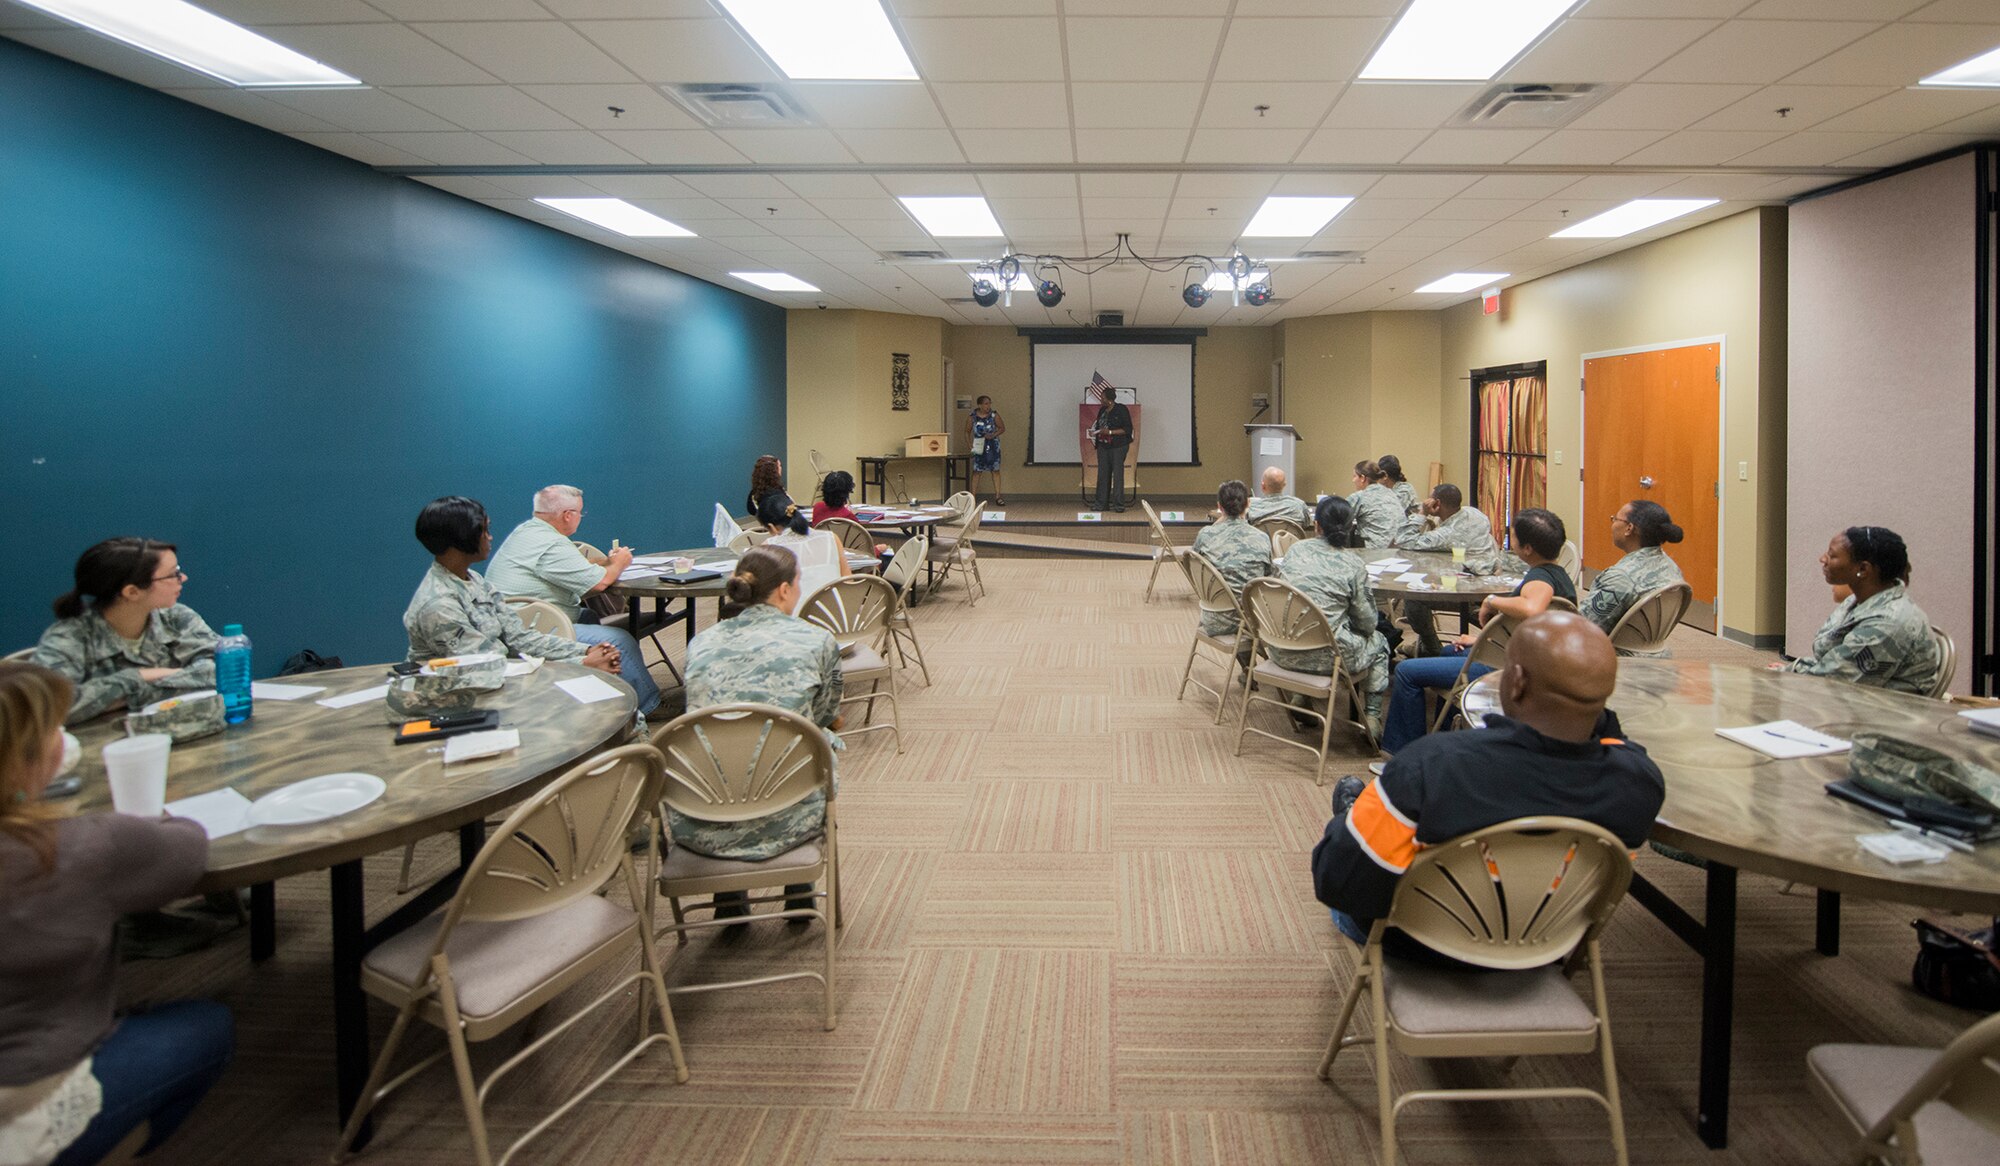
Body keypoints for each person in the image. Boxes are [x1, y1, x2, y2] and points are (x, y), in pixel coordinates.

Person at [1311, 613, 1664, 961]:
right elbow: (1618, 748)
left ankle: (1355, 816)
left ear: (1517, 681)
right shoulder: (1639, 782)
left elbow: (1337, 885)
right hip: (1549, 941)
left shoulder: (1431, 766)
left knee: (1352, 834)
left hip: (1418, 942)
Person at [0, 661, 234, 1165]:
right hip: (20, 1104)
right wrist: (146, 817)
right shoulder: (73, 848)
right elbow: (188, 849)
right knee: (207, 1025)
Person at [675, 547, 844, 924]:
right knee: (815, 742)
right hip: (789, 812)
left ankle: (728, 898)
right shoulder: (816, 641)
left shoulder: (700, 643)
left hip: (701, 815)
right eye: (799, 583)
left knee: (722, 747)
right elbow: (825, 714)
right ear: (784, 590)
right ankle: (799, 890)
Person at [1379, 508, 1575, 756]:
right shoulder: (1559, 576)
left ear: (1526, 549)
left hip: (1511, 667)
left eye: (1512, 534)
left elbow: (1532, 609)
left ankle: (1404, 754)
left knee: (1406, 672)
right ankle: (1448, 737)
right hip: (1536, 659)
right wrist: (1480, 639)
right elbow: (1528, 628)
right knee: (1450, 650)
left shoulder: (1539, 578)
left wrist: (1492, 600)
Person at [484, 485, 660, 715]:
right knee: (618, 641)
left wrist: (606, 563)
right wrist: (621, 561)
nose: (580, 518)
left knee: (588, 615)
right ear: (568, 515)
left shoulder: (528, 532)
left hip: (520, 618)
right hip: (531, 630)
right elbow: (600, 583)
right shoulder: (552, 544)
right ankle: (649, 706)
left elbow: (578, 569)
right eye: (580, 513)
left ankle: (602, 687)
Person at [402, 496, 621, 677]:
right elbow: (482, 669)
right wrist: (581, 663)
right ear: (461, 538)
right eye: (484, 531)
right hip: (469, 694)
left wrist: (585, 650)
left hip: (507, 675)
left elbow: (519, 636)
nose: (490, 537)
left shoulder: (474, 580)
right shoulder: (439, 605)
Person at [31, 538, 218, 726]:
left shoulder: (176, 617)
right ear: (132, 592)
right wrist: (138, 678)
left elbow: (221, 669)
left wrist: (121, 696)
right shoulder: (70, 637)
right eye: (172, 575)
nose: (183, 578)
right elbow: (45, 708)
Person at [1272, 496, 1391, 731]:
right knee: (1380, 643)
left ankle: (1301, 697)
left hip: (1281, 648)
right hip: (1330, 657)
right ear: (1350, 528)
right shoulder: (1352, 564)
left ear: (1317, 525)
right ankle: (1372, 717)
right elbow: (1367, 624)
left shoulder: (1296, 552)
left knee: (1308, 622)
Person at [1778, 526, 1940, 695]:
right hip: (1849, 700)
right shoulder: (1858, 601)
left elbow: (1831, 682)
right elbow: (1830, 661)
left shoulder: (1887, 623)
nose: (1822, 559)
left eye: (1832, 555)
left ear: (1863, 569)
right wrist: (1791, 669)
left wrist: (1779, 676)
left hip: (1881, 714)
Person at [1578, 500, 1687, 657]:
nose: (1613, 524)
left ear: (1629, 528)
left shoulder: (1621, 578)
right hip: (1660, 657)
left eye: (1615, 519)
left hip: (1618, 660)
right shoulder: (1672, 567)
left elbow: (1584, 626)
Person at [1189, 480, 1272, 643]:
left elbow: (1194, 565)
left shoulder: (1206, 535)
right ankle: (1252, 665)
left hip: (1214, 619)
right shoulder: (1261, 537)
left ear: (1219, 507)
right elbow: (1268, 578)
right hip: (1253, 621)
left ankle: (1248, 666)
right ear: (1248, 504)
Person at [759, 492, 850, 611]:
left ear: (772, 527)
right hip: (837, 620)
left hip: (793, 622)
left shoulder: (769, 547)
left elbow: (763, 593)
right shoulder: (831, 537)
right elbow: (848, 581)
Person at [1391, 483, 1501, 574]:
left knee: (1414, 599)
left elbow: (1404, 540)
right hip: (1488, 568)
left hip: (1469, 579)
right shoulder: (1474, 513)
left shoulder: (1447, 535)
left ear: (1437, 503)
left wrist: (1422, 513)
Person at [1089, 383, 1132, 513]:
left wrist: (1110, 432)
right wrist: (1095, 432)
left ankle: (1119, 505)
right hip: (1103, 446)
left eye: (1102, 397)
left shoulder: (1121, 409)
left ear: (1109, 399)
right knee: (1103, 475)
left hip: (1118, 446)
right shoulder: (1102, 410)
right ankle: (1101, 504)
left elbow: (1127, 429)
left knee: (1117, 475)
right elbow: (1100, 426)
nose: (1100, 399)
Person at [1347, 462, 1404, 548]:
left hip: (1374, 552)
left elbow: (1337, 519)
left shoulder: (1360, 496)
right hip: (1398, 548)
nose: (1353, 480)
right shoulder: (1390, 493)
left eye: (1354, 476)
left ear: (1362, 478)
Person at [966, 396, 1007, 506]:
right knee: (977, 471)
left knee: (995, 470)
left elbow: (1002, 428)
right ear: (979, 405)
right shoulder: (972, 417)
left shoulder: (994, 415)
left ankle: (998, 496)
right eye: (985, 404)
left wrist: (993, 435)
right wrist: (970, 446)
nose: (988, 406)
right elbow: (967, 432)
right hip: (979, 446)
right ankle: (973, 497)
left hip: (993, 445)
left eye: (989, 403)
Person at [1245, 467, 1311, 527]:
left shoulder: (1250, 505)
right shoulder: (1299, 504)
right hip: (1290, 540)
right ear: (1284, 485)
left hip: (1260, 540)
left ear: (1263, 486)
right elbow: (1307, 524)